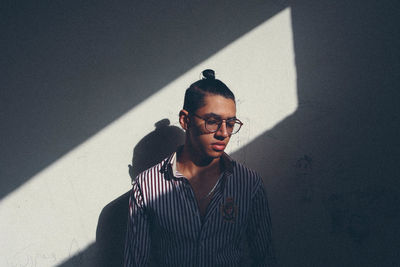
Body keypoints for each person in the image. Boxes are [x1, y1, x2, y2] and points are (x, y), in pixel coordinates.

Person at [124, 69, 275, 266]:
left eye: (230, 123)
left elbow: (265, 258)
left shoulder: (248, 183)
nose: (223, 133)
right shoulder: (147, 186)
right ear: (185, 120)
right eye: (212, 122)